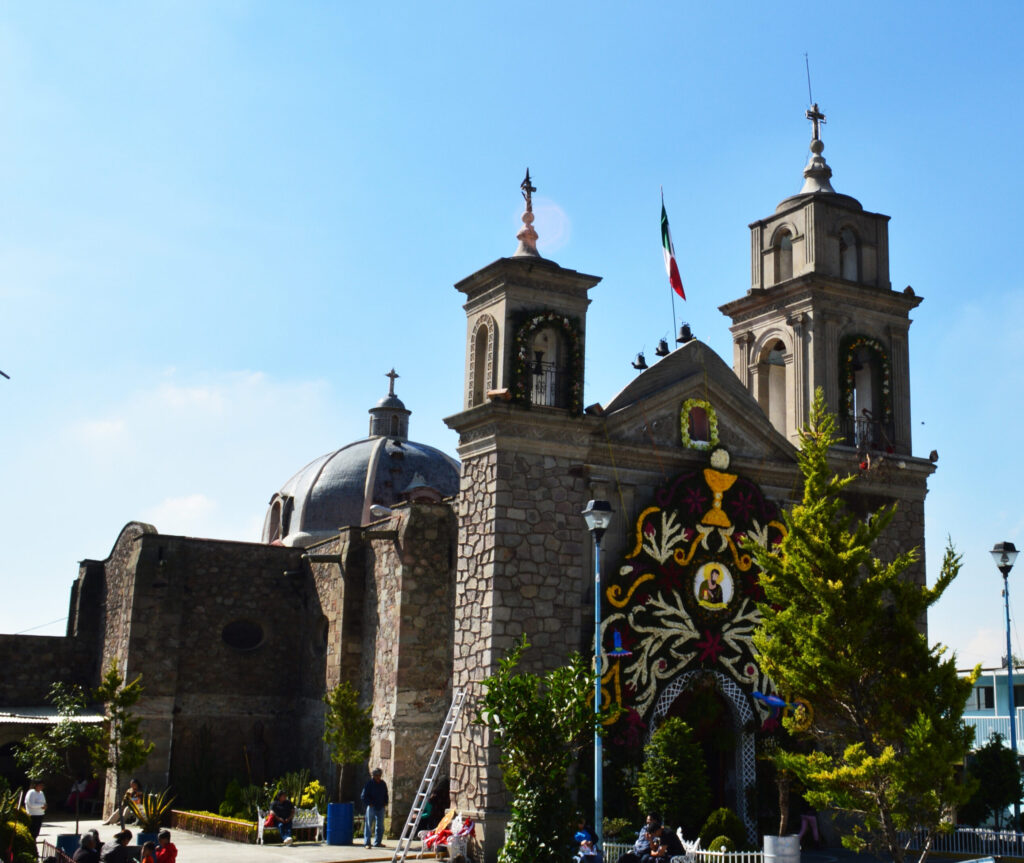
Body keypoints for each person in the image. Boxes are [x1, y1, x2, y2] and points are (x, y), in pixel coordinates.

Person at [361, 767, 389, 848]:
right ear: (373, 776)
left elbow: (386, 794)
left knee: (380, 826)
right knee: (369, 825)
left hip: (381, 807)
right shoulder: (369, 784)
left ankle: (378, 842)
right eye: (377, 775)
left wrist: (385, 803)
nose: (378, 777)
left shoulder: (383, 784)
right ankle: (367, 843)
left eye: (379, 775)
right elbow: (363, 796)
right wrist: (369, 804)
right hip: (371, 807)